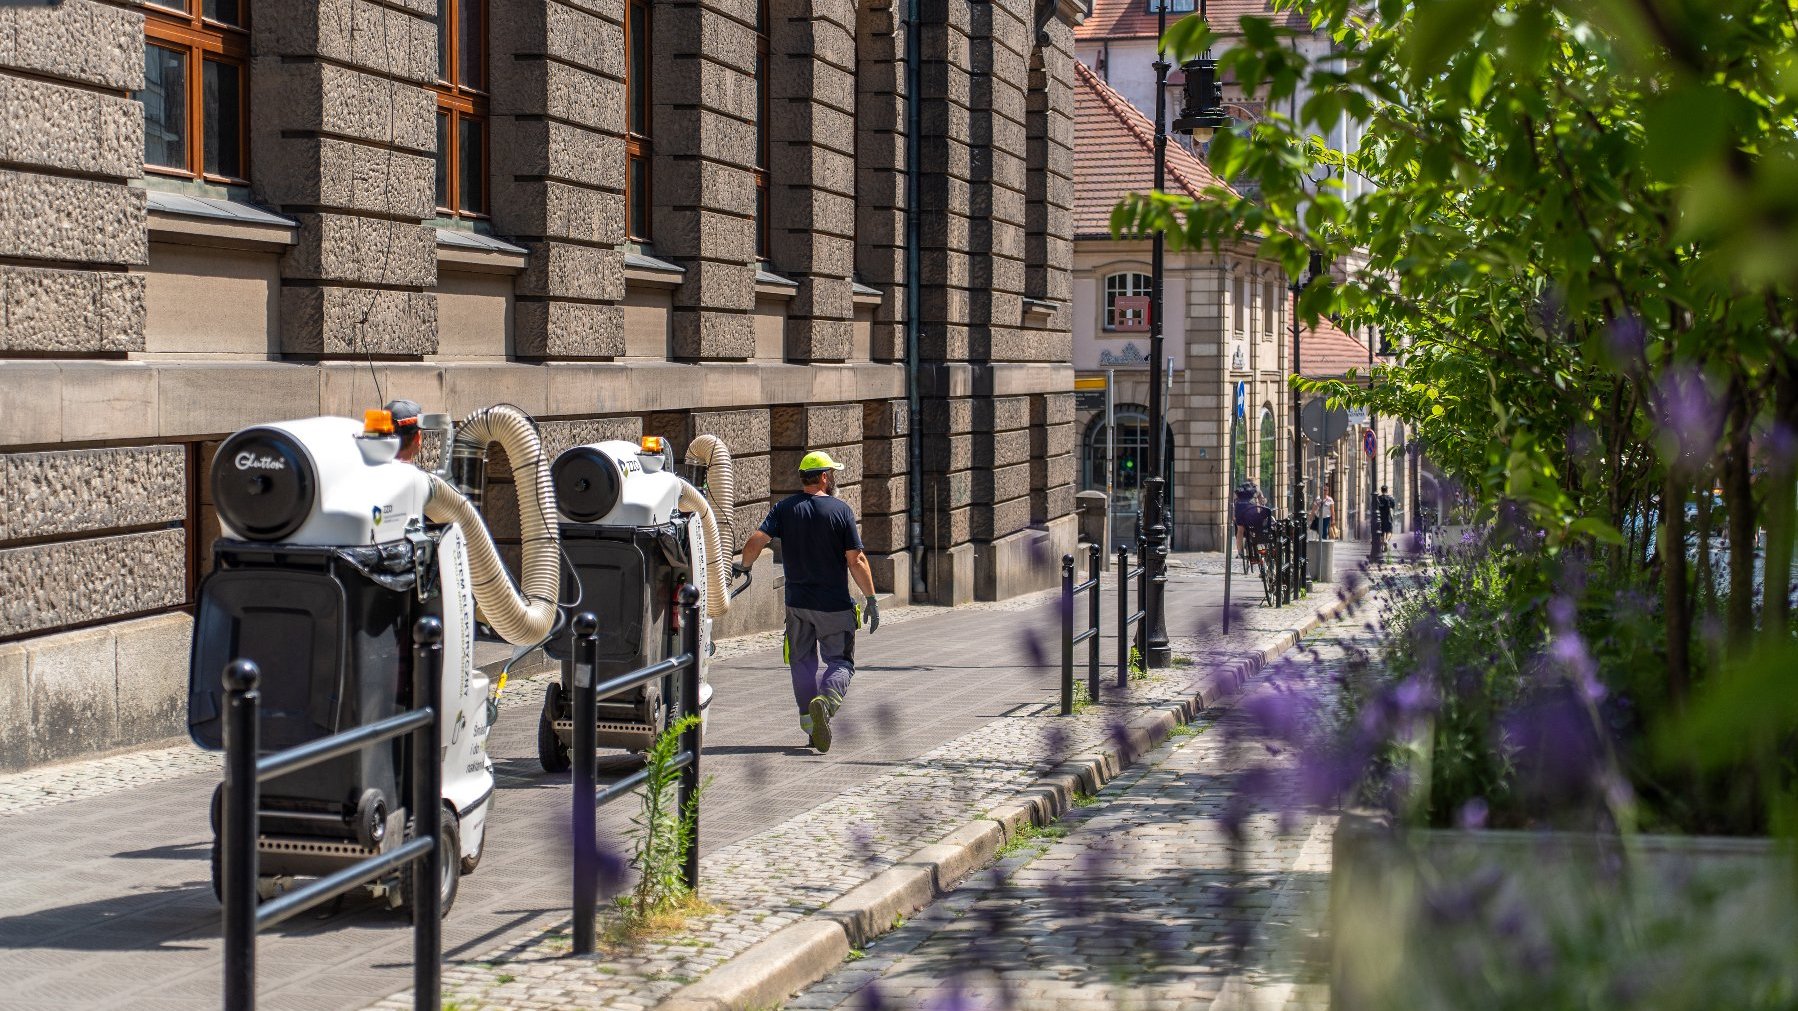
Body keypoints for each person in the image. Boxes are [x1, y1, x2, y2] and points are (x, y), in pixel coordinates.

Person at [739, 451, 880, 753]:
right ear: (826, 477)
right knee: (840, 663)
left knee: (802, 664)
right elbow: (856, 560)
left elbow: (755, 541)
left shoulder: (784, 509)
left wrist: (745, 567)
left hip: (797, 605)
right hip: (834, 606)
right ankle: (826, 702)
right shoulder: (840, 511)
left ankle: (810, 727)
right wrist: (871, 598)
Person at [1374, 484, 1397, 558]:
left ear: (1381, 490)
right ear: (1387, 490)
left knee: (1381, 532)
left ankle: (1382, 546)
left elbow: (1375, 506)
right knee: (1389, 531)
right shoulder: (1390, 498)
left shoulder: (1378, 498)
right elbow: (1393, 506)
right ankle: (1386, 541)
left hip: (1380, 517)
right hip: (1388, 517)